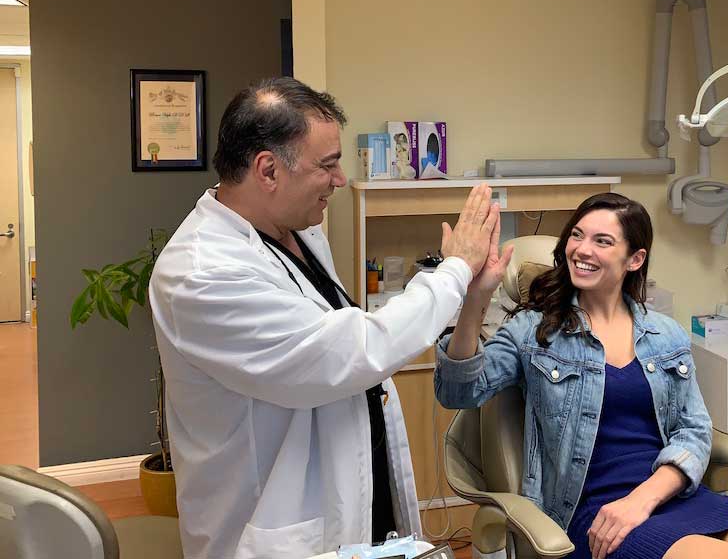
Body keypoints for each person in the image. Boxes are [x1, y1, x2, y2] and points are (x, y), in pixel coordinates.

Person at [149, 77, 500, 559]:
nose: (340, 179)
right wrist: (455, 269)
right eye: (328, 164)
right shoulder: (201, 274)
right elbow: (350, 350)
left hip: (351, 491)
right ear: (268, 170)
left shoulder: (297, 230)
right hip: (272, 524)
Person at [434, 193, 728, 559]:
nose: (582, 249)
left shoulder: (665, 334)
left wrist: (645, 498)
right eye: (576, 235)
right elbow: (458, 391)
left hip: (666, 493)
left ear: (635, 259)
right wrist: (475, 296)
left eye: (602, 241)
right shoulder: (534, 331)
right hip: (594, 511)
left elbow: (694, 430)